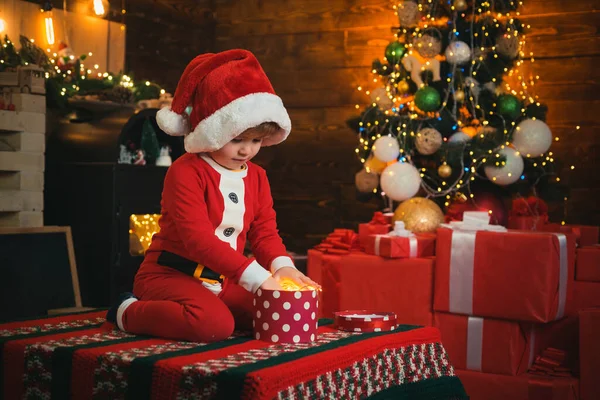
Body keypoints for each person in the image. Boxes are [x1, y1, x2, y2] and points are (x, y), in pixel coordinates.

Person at [106, 49, 320, 342]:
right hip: (169, 274)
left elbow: (264, 233)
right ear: (213, 131)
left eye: (256, 140)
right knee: (213, 326)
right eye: (237, 140)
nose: (247, 150)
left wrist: (282, 269)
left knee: (272, 310)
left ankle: (209, 305)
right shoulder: (185, 172)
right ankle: (127, 311)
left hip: (223, 278)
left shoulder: (257, 177)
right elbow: (198, 240)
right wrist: (258, 278)